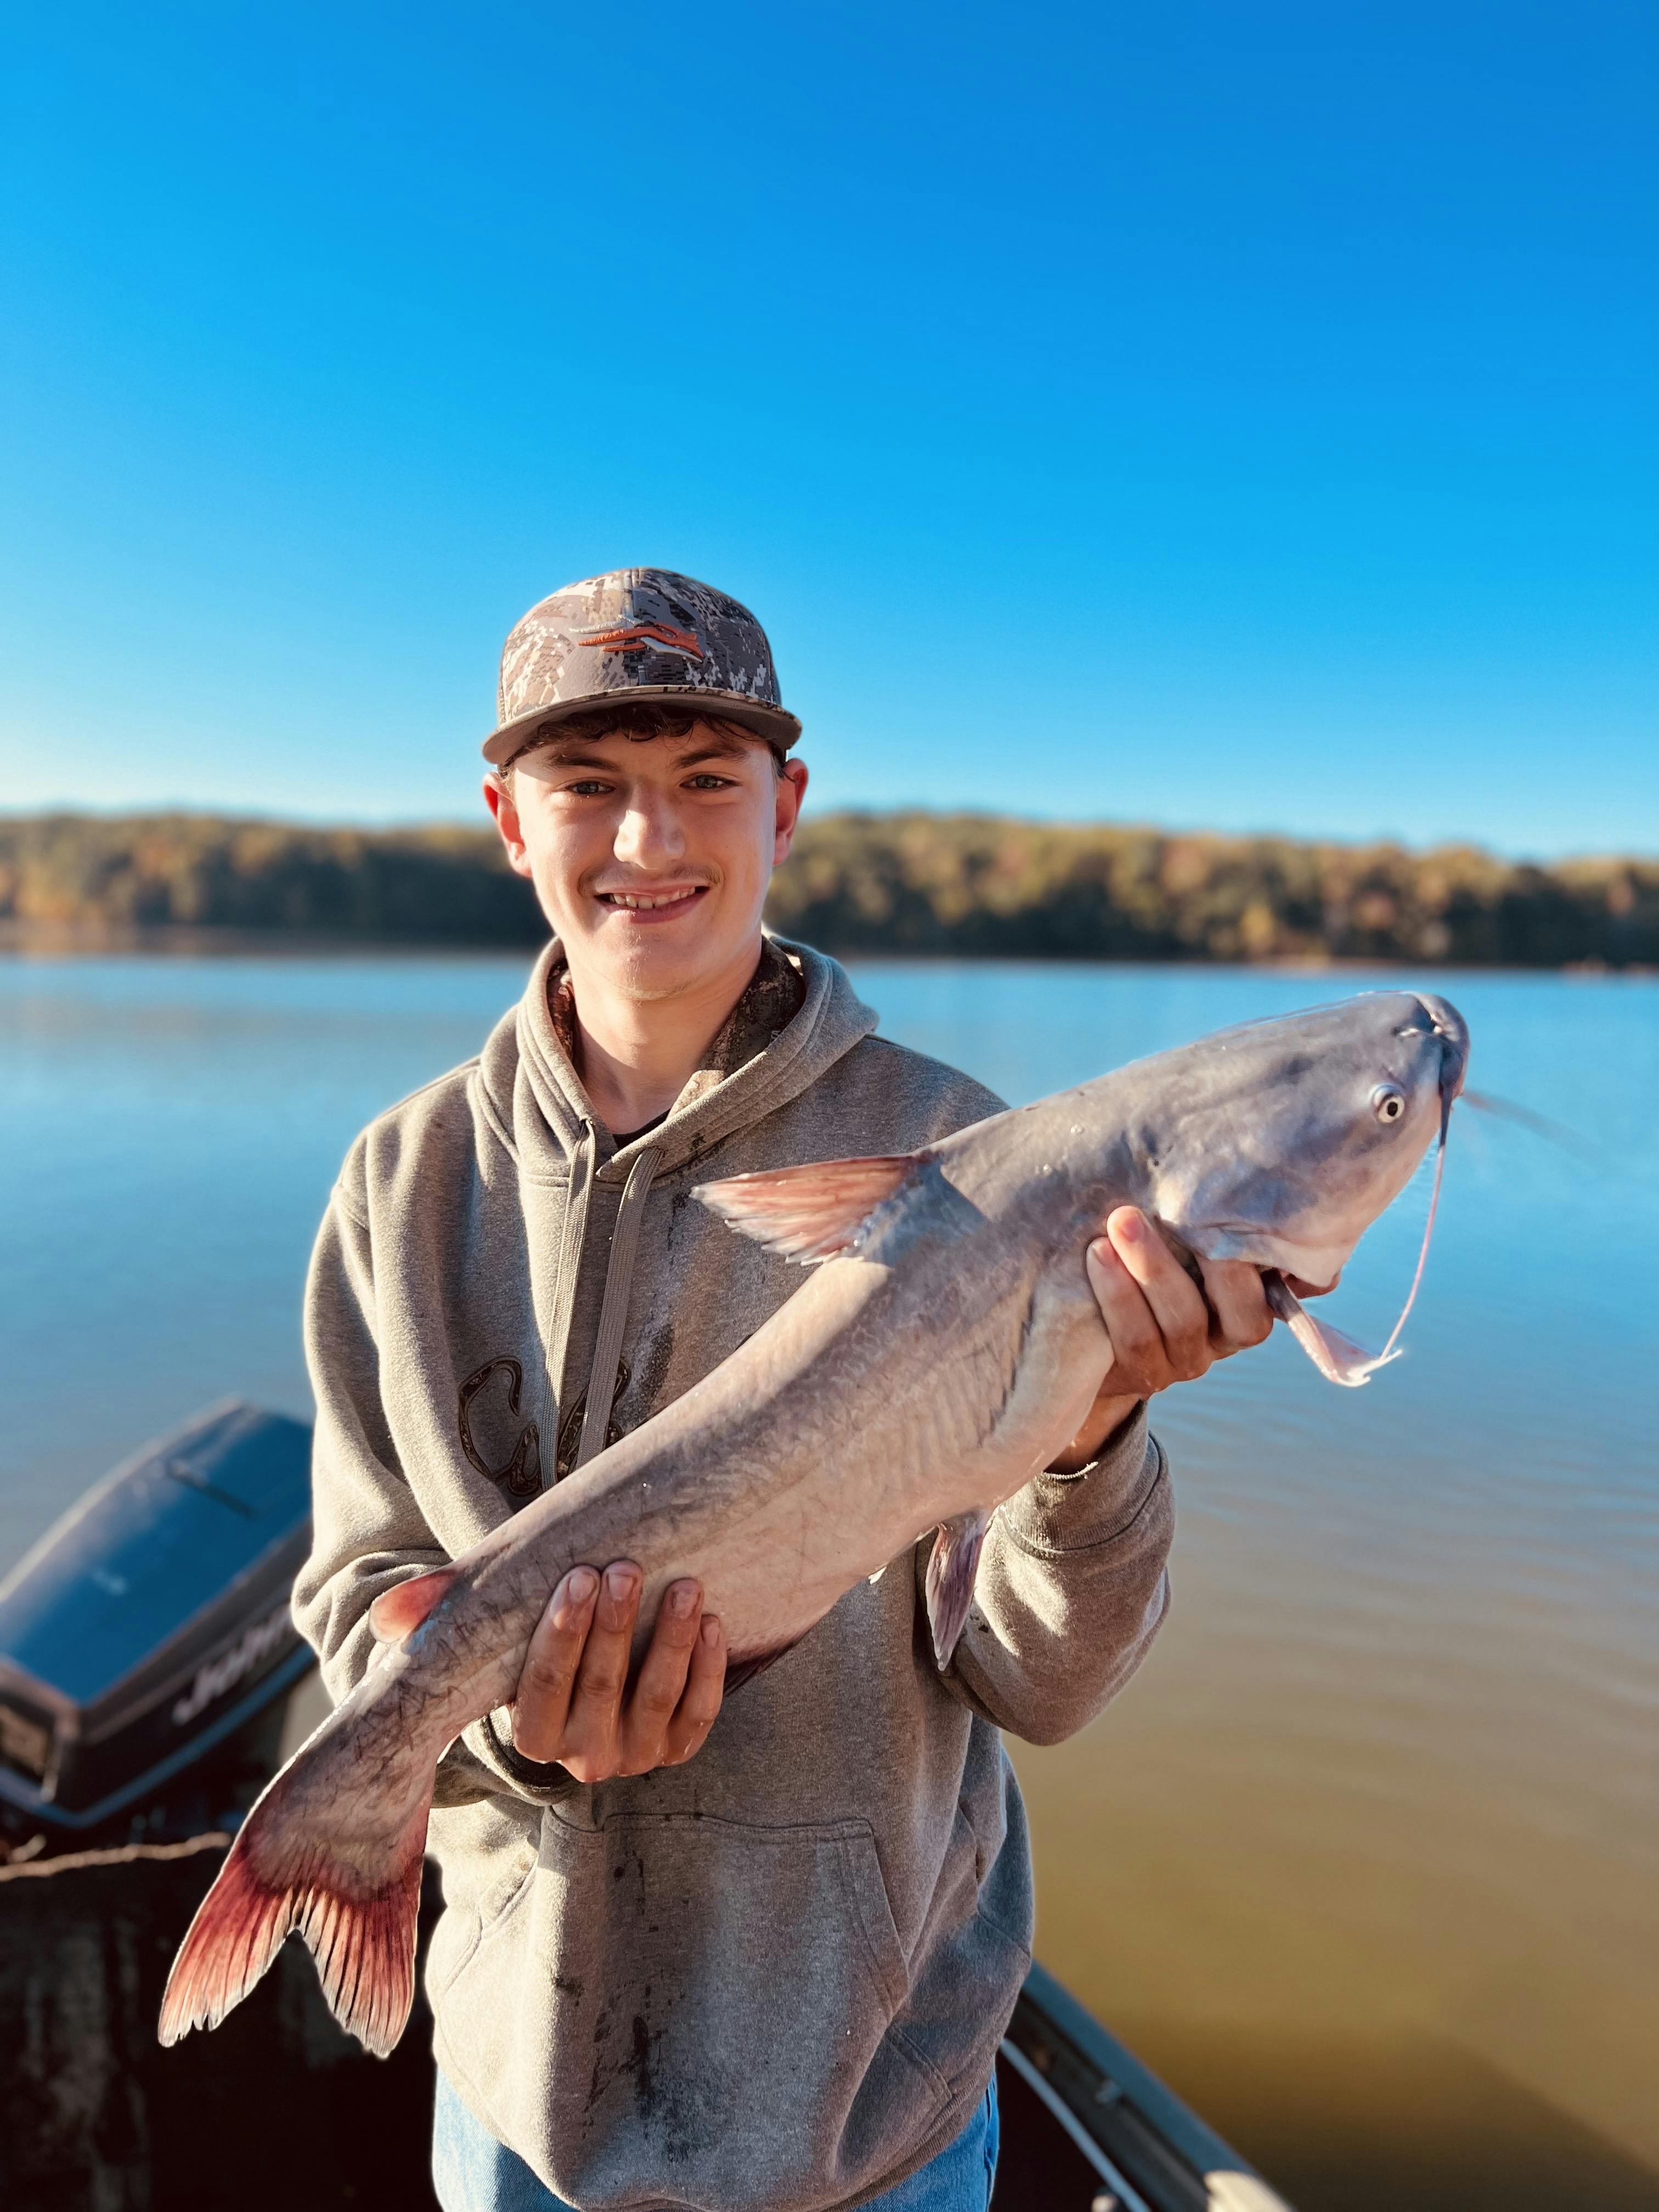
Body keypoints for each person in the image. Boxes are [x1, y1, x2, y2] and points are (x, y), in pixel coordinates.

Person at [293, 568, 1276, 2212]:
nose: (646, 843)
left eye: (703, 784)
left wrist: (1093, 1437)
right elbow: (359, 1596)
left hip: (869, 2125)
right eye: (588, 786)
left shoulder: (975, 1167)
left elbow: (1049, 1685)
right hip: (520, 2111)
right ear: (504, 819)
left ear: (788, 806)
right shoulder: (403, 1186)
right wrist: (520, 1746)